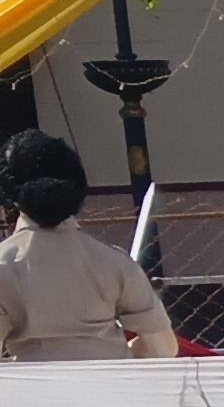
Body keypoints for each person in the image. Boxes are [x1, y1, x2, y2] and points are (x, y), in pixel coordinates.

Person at [0, 135, 177, 361]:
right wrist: (127, 351)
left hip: (36, 391)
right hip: (112, 387)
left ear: (10, 193)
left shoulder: (4, 264)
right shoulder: (114, 261)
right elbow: (163, 349)